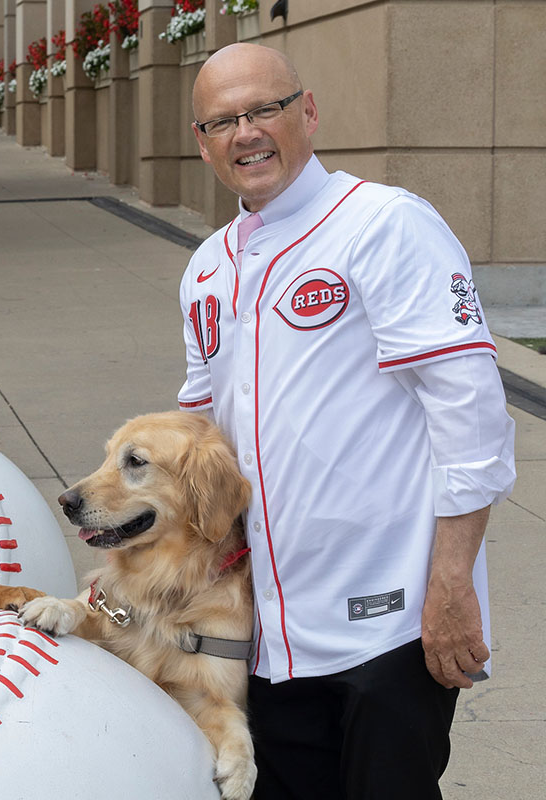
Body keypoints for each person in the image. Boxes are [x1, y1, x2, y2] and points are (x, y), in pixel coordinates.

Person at [178, 43, 516, 799]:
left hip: (389, 625)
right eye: (223, 121)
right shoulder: (206, 267)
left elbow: (471, 413)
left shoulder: (385, 224)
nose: (247, 133)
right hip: (264, 635)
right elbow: (199, 431)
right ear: (203, 144)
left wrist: (453, 583)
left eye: (264, 108)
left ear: (308, 112)